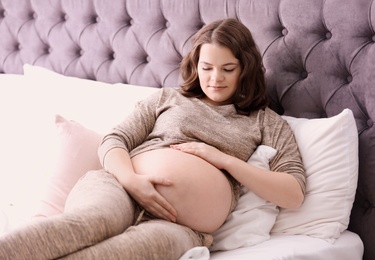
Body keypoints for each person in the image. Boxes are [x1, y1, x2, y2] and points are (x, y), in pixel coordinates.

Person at [0, 18, 306, 259]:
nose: (215, 79)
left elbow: (293, 193)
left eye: (228, 69)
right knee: (89, 223)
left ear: (245, 69)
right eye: (207, 68)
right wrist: (133, 181)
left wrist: (223, 160)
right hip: (119, 186)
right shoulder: (168, 98)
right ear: (195, 65)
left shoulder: (265, 121)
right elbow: (114, 140)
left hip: (180, 226)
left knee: (119, 255)